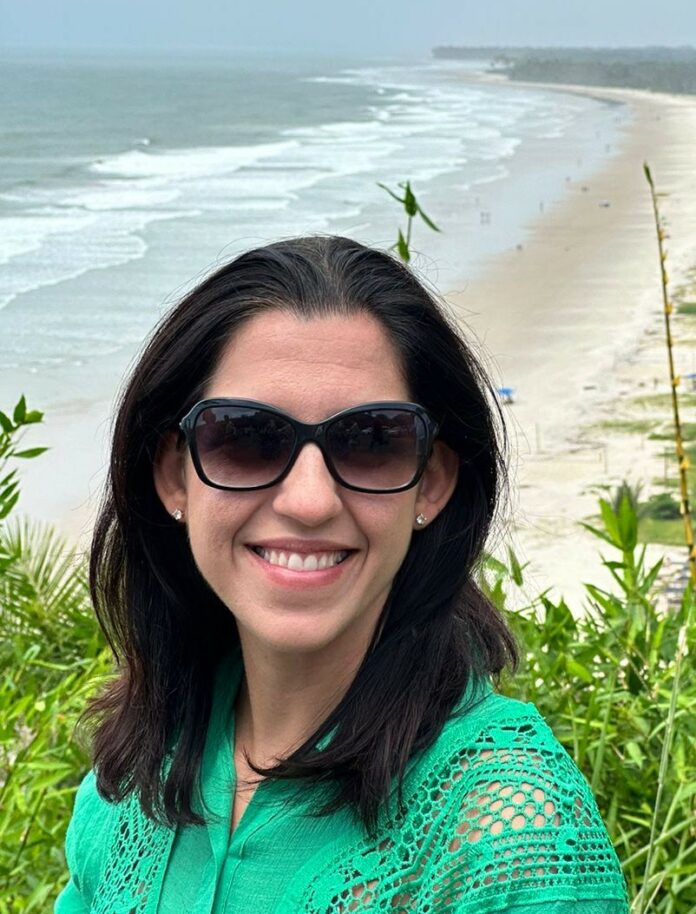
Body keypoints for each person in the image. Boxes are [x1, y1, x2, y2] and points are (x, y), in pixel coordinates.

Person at [55, 236, 630, 913]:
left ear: (432, 482)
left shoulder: (504, 835)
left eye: (371, 441)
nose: (309, 501)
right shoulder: (131, 787)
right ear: (174, 476)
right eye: (245, 436)